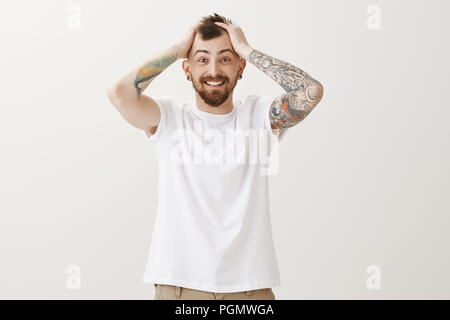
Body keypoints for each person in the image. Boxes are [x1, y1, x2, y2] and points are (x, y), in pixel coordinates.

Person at [106, 13, 323, 300]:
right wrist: (178, 47)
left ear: (240, 66)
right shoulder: (169, 117)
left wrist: (246, 48)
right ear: (187, 67)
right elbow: (119, 93)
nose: (213, 70)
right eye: (202, 59)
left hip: (250, 289)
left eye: (225, 58)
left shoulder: (258, 116)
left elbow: (310, 92)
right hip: (180, 286)